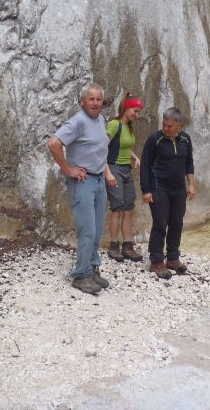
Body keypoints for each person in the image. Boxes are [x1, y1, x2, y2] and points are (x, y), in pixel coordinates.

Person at [47, 82, 114, 295]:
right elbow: (54, 143)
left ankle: (93, 268)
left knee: (97, 227)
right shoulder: (77, 122)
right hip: (82, 181)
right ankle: (80, 275)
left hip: (98, 179)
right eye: (91, 99)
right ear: (82, 101)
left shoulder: (101, 119)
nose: (95, 103)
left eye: (98, 99)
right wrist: (68, 169)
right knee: (88, 229)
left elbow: (98, 149)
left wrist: (104, 170)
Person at [140, 107, 195, 279]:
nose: (166, 128)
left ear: (179, 125)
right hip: (159, 188)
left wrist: (191, 185)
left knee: (177, 223)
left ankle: (172, 258)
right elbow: (145, 165)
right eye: (164, 124)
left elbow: (189, 163)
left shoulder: (185, 139)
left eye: (170, 126)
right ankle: (156, 261)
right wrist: (146, 190)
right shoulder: (154, 140)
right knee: (160, 224)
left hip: (179, 189)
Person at [105, 93, 144, 262]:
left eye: (139, 111)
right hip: (114, 168)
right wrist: (107, 172)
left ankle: (127, 246)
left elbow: (124, 147)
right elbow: (101, 148)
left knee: (128, 209)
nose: (137, 114)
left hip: (126, 170)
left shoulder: (129, 127)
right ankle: (114, 246)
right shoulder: (114, 125)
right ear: (126, 108)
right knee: (117, 209)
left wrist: (134, 157)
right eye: (135, 111)